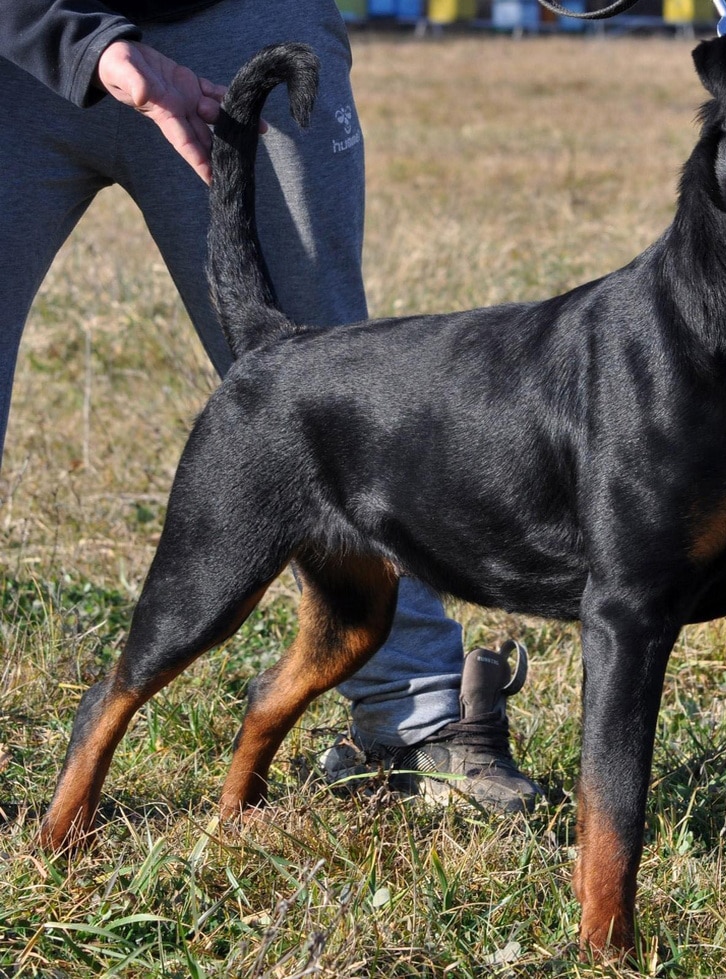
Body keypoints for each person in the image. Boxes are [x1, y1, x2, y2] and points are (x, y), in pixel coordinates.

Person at [0, 0, 540, 814]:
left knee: (334, 389)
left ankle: (416, 719)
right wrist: (80, 44)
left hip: (240, 24)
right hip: (12, 49)